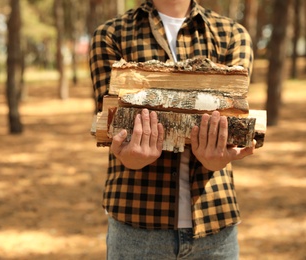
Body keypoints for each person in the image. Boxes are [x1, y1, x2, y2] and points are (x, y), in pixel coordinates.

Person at [89, 0, 255, 259]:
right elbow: (111, 120)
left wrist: (219, 158)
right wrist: (128, 157)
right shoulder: (111, 34)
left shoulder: (232, 35)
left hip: (215, 223)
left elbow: (235, 118)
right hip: (136, 225)